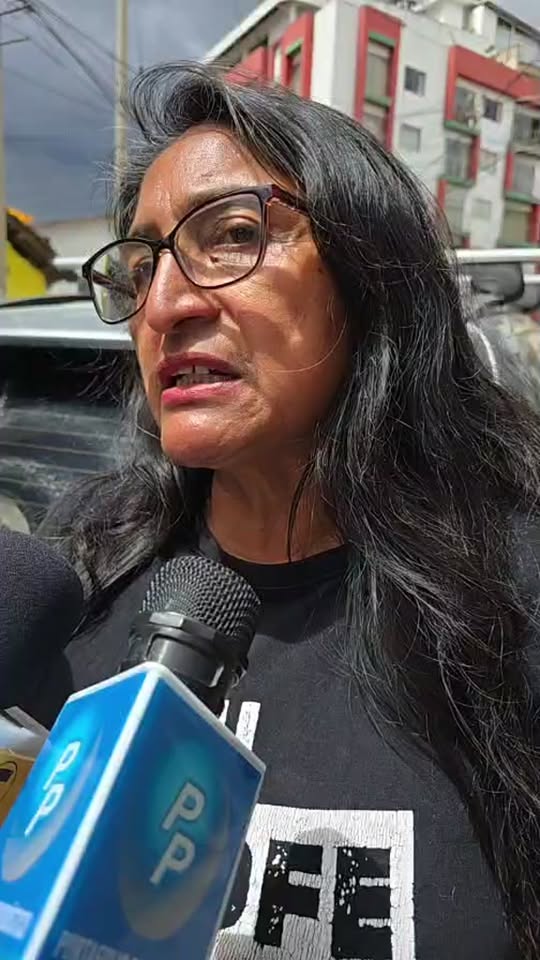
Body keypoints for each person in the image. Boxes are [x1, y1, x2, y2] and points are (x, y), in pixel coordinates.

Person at [33, 62, 540, 959]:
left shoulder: (512, 601)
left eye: (232, 235)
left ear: (371, 273)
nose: (165, 304)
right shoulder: (74, 583)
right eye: (142, 268)